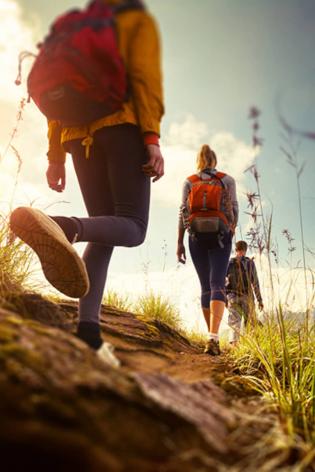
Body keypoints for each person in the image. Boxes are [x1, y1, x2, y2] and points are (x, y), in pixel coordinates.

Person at [10, 0, 164, 367]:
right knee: (134, 226)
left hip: (76, 136)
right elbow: (144, 78)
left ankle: (89, 333)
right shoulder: (134, 19)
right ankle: (65, 227)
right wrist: (152, 139)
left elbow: (58, 101)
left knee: (105, 230)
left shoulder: (72, 25)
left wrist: (55, 156)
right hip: (121, 127)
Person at [177, 144, 238, 356]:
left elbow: (182, 212)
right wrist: (230, 231)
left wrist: (179, 243)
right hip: (221, 237)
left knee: (205, 286)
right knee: (217, 283)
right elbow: (235, 209)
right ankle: (213, 336)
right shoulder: (227, 180)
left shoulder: (189, 182)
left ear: (199, 161)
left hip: (195, 238)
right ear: (214, 160)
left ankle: (211, 337)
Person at [226, 240, 264, 345]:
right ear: (245, 250)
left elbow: (223, 281)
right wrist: (259, 299)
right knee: (251, 321)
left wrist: (225, 298)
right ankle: (251, 345)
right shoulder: (250, 263)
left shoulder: (228, 263)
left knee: (234, 321)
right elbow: (255, 282)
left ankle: (235, 345)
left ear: (236, 249)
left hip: (232, 296)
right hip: (247, 296)